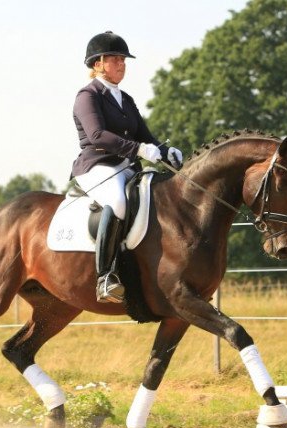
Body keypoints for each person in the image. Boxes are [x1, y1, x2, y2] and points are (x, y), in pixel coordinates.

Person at [71, 31, 183, 304]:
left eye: (124, 60)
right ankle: (105, 277)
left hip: (125, 166)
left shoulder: (126, 99)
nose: (122, 64)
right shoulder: (88, 96)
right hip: (97, 165)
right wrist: (138, 150)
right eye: (116, 59)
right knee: (118, 201)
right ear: (98, 63)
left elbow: (145, 136)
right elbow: (97, 135)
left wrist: (167, 151)